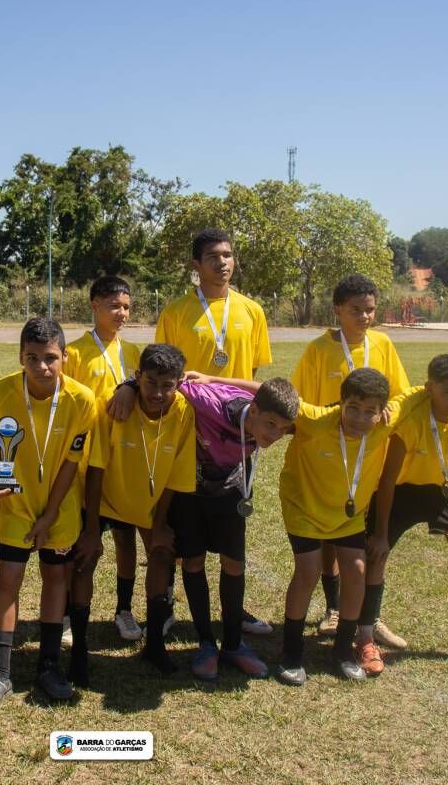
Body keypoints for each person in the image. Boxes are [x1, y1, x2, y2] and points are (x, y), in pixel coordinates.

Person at [115, 372, 297, 679]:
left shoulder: (271, 415)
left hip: (231, 487)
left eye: (282, 429)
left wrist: (213, 375)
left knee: (234, 564)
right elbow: (164, 378)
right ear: (253, 411)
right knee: (194, 560)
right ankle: (206, 643)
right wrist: (128, 388)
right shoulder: (209, 402)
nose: (275, 435)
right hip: (191, 489)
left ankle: (234, 645)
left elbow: (268, 393)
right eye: (270, 425)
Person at [0, 318, 96, 712]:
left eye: (51, 358)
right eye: (32, 358)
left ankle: (49, 666)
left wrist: (50, 514)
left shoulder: (82, 401)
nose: (42, 367)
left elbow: (72, 464)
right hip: (14, 505)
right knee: (8, 579)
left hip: (60, 508)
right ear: (21, 357)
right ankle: (0, 674)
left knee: (56, 576)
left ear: (65, 357)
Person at [152, 228, 274, 636]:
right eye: (212, 256)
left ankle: (233, 612)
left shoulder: (252, 311)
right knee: (178, 521)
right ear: (196, 265)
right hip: (187, 432)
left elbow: (253, 376)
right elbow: (166, 372)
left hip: (235, 435)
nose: (222, 262)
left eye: (227, 255)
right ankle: (165, 604)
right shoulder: (175, 312)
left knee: (231, 526)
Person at [360, 353, 448, 675]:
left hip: (443, 488)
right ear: (430, 389)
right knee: (376, 555)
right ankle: (366, 637)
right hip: (400, 490)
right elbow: (386, 481)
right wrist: (381, 534)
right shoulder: (412, 421)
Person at [290, 274, 411, 648]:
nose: (364, 317)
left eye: (370, 310)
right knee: (329, 536)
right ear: (338, 310)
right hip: (327, 457)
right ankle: (334, 608)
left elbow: (404, 392)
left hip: (368, 457)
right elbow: (298, 400)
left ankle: (368, 616)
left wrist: (390, 407)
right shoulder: (319, 350)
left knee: (366, 537)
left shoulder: (383, 344)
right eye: (355, 310)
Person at [276, 368, 417, 684]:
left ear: (382, 414)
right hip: (304, 507)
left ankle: (342, 649)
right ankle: (292, 649)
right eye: (352, 408)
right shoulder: (314, 419)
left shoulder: (384, 424)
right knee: (308, 571)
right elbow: (266, 389)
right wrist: (207, 379)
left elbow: (418, 394)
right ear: (340, 404)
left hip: (347, 513)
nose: (360, 418)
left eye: (370, 412)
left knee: (356, 569)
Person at [73, 344, 195, 684]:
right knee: (84, 560)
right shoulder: (115, 408)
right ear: (137, 377)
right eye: (150, 382)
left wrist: (158, 525)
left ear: (179, 383)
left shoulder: (184, 412)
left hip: (150, 503)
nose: (158, 393)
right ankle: (79, 650)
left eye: (167, 385)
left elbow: (175, 476)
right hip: (105, 497)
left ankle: (154, 644)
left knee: (161, 555)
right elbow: (95, 468)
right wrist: (93, 529)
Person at [62, 275, 142, 643]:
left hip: (124, 465)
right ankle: (68, 612)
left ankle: (124, 609)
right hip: (84, 467)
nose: (121, 313)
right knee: (84, 542)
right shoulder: (74, 353)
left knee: (126, 540)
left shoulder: (135, 354)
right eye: (113, 306)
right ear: (94, 305)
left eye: (126, 306)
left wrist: (129, 385)